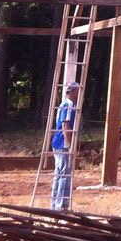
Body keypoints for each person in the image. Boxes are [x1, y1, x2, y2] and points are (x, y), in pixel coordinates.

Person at [51, 81, 80, 211]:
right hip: (62, 143)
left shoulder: (66, 104)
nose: (80, 94)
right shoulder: (68, 105)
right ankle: (61, 205)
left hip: (59, 143)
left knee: (60, 173)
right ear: (73, 91)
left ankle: (56, 204)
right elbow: (65, 125)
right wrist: (69, 145)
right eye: (78, 91)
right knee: (64, 174)